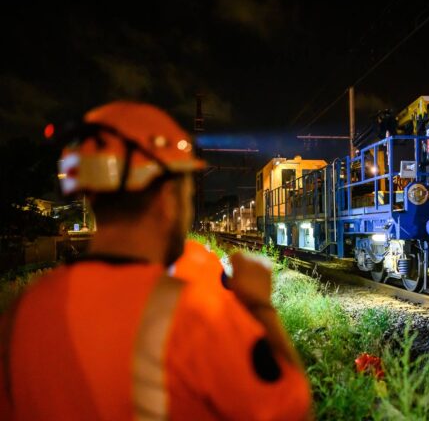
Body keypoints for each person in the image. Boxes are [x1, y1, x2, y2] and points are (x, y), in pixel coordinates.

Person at [0, 101, 312, 420]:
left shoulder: (20, 316)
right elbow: (291, 410)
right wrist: (259, 304)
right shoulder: (196, 315)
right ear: (167, 198)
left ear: (92, 196)